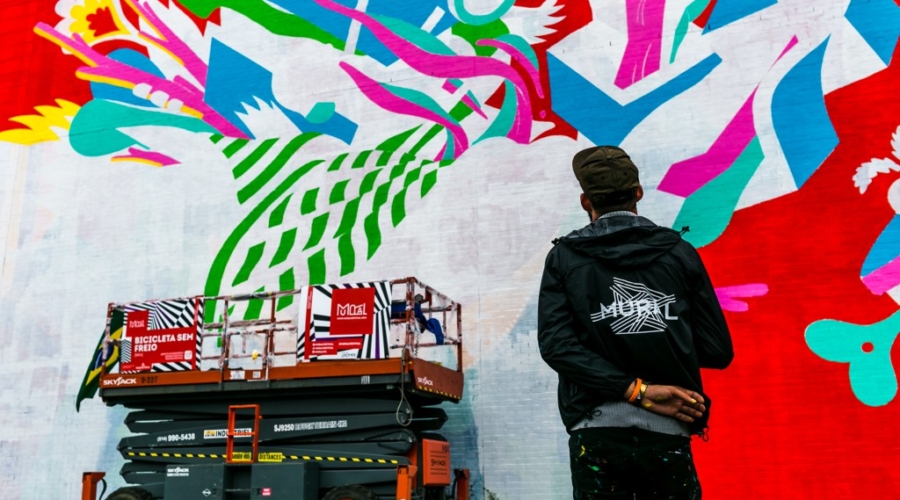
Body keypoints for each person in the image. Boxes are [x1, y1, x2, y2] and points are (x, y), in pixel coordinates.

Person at [538, 146, 734, 499]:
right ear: (638, 193)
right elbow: (717, 350)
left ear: (586, 201)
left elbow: (557, 346)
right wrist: (655, 359)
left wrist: (632, 386)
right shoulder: (679, 253)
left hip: (596, 429)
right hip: (668, 427)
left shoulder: (564, 258)